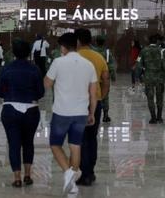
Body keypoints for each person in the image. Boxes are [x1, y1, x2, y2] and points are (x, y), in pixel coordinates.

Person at [44, 33, 98, 195]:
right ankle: (72, 183)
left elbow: (46, 84)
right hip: (81, 113)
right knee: (76, 147)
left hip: (62, 112)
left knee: (55, 144)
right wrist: (92, 113)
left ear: (63, 47)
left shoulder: (58, 62)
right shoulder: (88, 65)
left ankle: (68, 173)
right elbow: (93, 94)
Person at [0, 39, 44, 187]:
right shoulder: (35, 69)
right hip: (31, 110)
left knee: (14, 143)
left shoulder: (6, 69)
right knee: (28, 142)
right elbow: (40, 92)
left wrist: (10, 94)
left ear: (13, 52)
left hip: (10, 110)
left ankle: (17, 178)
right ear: (29, 52)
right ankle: (28, 175)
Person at [75, 28, 110, 186]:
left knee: (80, 139)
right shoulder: (99, 57)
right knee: (91, 138)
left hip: (76, 104)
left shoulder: (71, 57)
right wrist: (101, 95)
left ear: (77, 41)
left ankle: (85, 173)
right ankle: (91, 171)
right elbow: (106, 79)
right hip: (95, 102)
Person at [137, 34, 165, 124]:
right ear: (157, 41)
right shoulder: (162, 51)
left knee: (150, 97)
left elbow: (139, 65)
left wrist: (138, 76)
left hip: (148, 77)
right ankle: (159, 117)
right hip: (160, 77)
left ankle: (153, 117)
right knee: (160, 97)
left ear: (149, 41)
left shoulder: (143, 51)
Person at [92, 35, 116, 123]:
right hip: (105, 77)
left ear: (96, 42)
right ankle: (106, 115)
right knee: (105, 96)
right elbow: (111, 65)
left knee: (94, 95)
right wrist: (113, 76)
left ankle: (94, 113)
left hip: (95, 77)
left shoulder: (93, 51)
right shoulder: (108, 52)